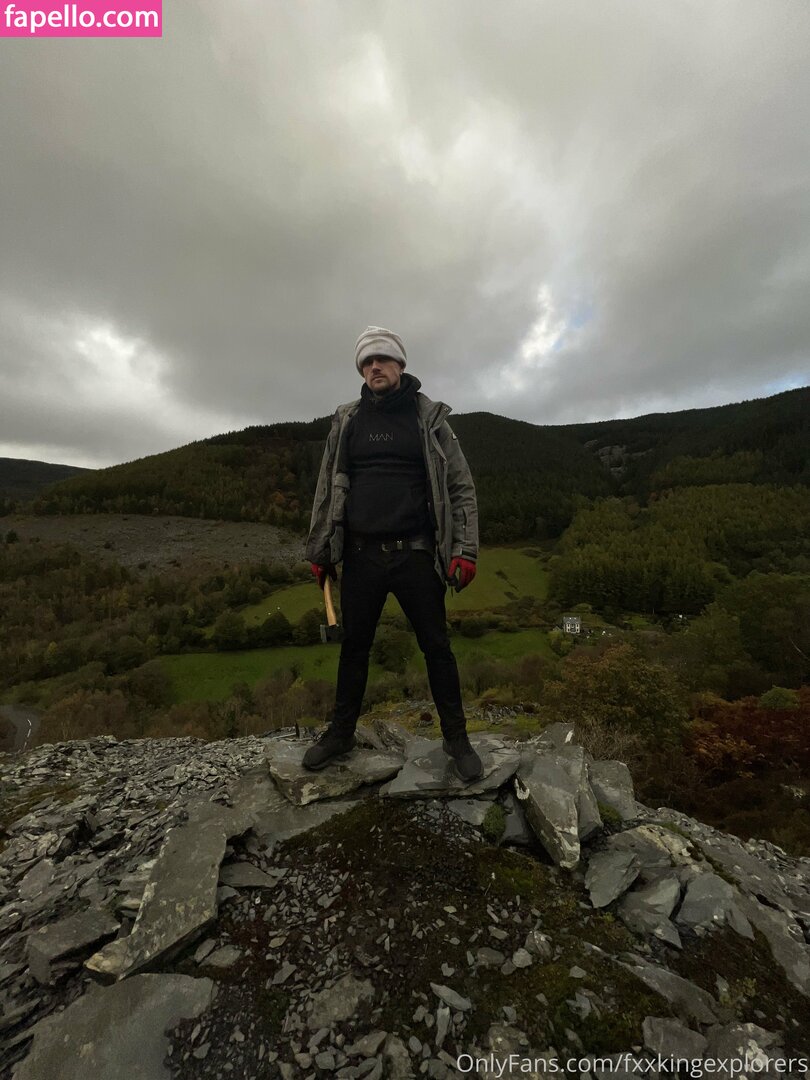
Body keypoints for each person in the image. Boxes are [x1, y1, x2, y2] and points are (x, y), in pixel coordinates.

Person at [303, 325, 483, 781]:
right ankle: (341, 733)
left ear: (400, 364)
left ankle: (456, 738)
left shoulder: (430, 419)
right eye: (366, 362)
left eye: (382, 358)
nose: (374, 367)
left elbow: (460, 487)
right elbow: (326, 489)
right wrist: (321, 549)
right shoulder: (347, 421)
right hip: (361, 556)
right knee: (354, 648)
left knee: (437, 647)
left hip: (416, 554)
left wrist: (465, 550)